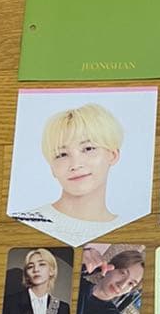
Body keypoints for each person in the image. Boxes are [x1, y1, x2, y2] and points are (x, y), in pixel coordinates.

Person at [23, 103, 126, 247]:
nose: (75, 164)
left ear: (113, 155)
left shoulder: (129, 229)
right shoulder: (26, 223)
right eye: (62, 154)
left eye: (88, 148)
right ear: (52, 167)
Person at [0, 248, 70, 314]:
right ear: (27, 275)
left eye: (42, 264)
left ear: (51, 271)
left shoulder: (63, 309)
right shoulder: (9, 303)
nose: (36, 270)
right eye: (30, 267)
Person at [75, 246, 145, 314]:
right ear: (111, 267)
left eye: (131, 283)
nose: (122, 285)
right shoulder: (76, 282)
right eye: (123, 273)